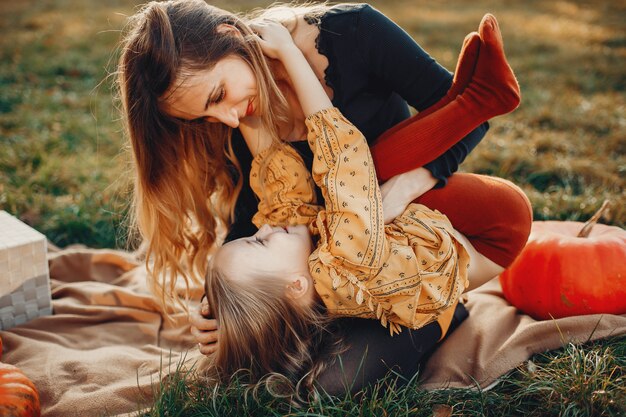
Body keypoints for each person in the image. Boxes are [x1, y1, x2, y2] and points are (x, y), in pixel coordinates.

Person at [117, 0, 531, 393]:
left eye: (217, 97)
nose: (223, 118)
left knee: (374, 165)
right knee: (299, 369)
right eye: (205, 116)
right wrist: (226, 305)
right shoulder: (243, 116)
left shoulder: (356, 33)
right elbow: (259, 213)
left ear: (231, 34)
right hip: (333, 261)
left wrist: (398, 190)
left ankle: (439, 304)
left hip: (414, 221)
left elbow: (468, 124)